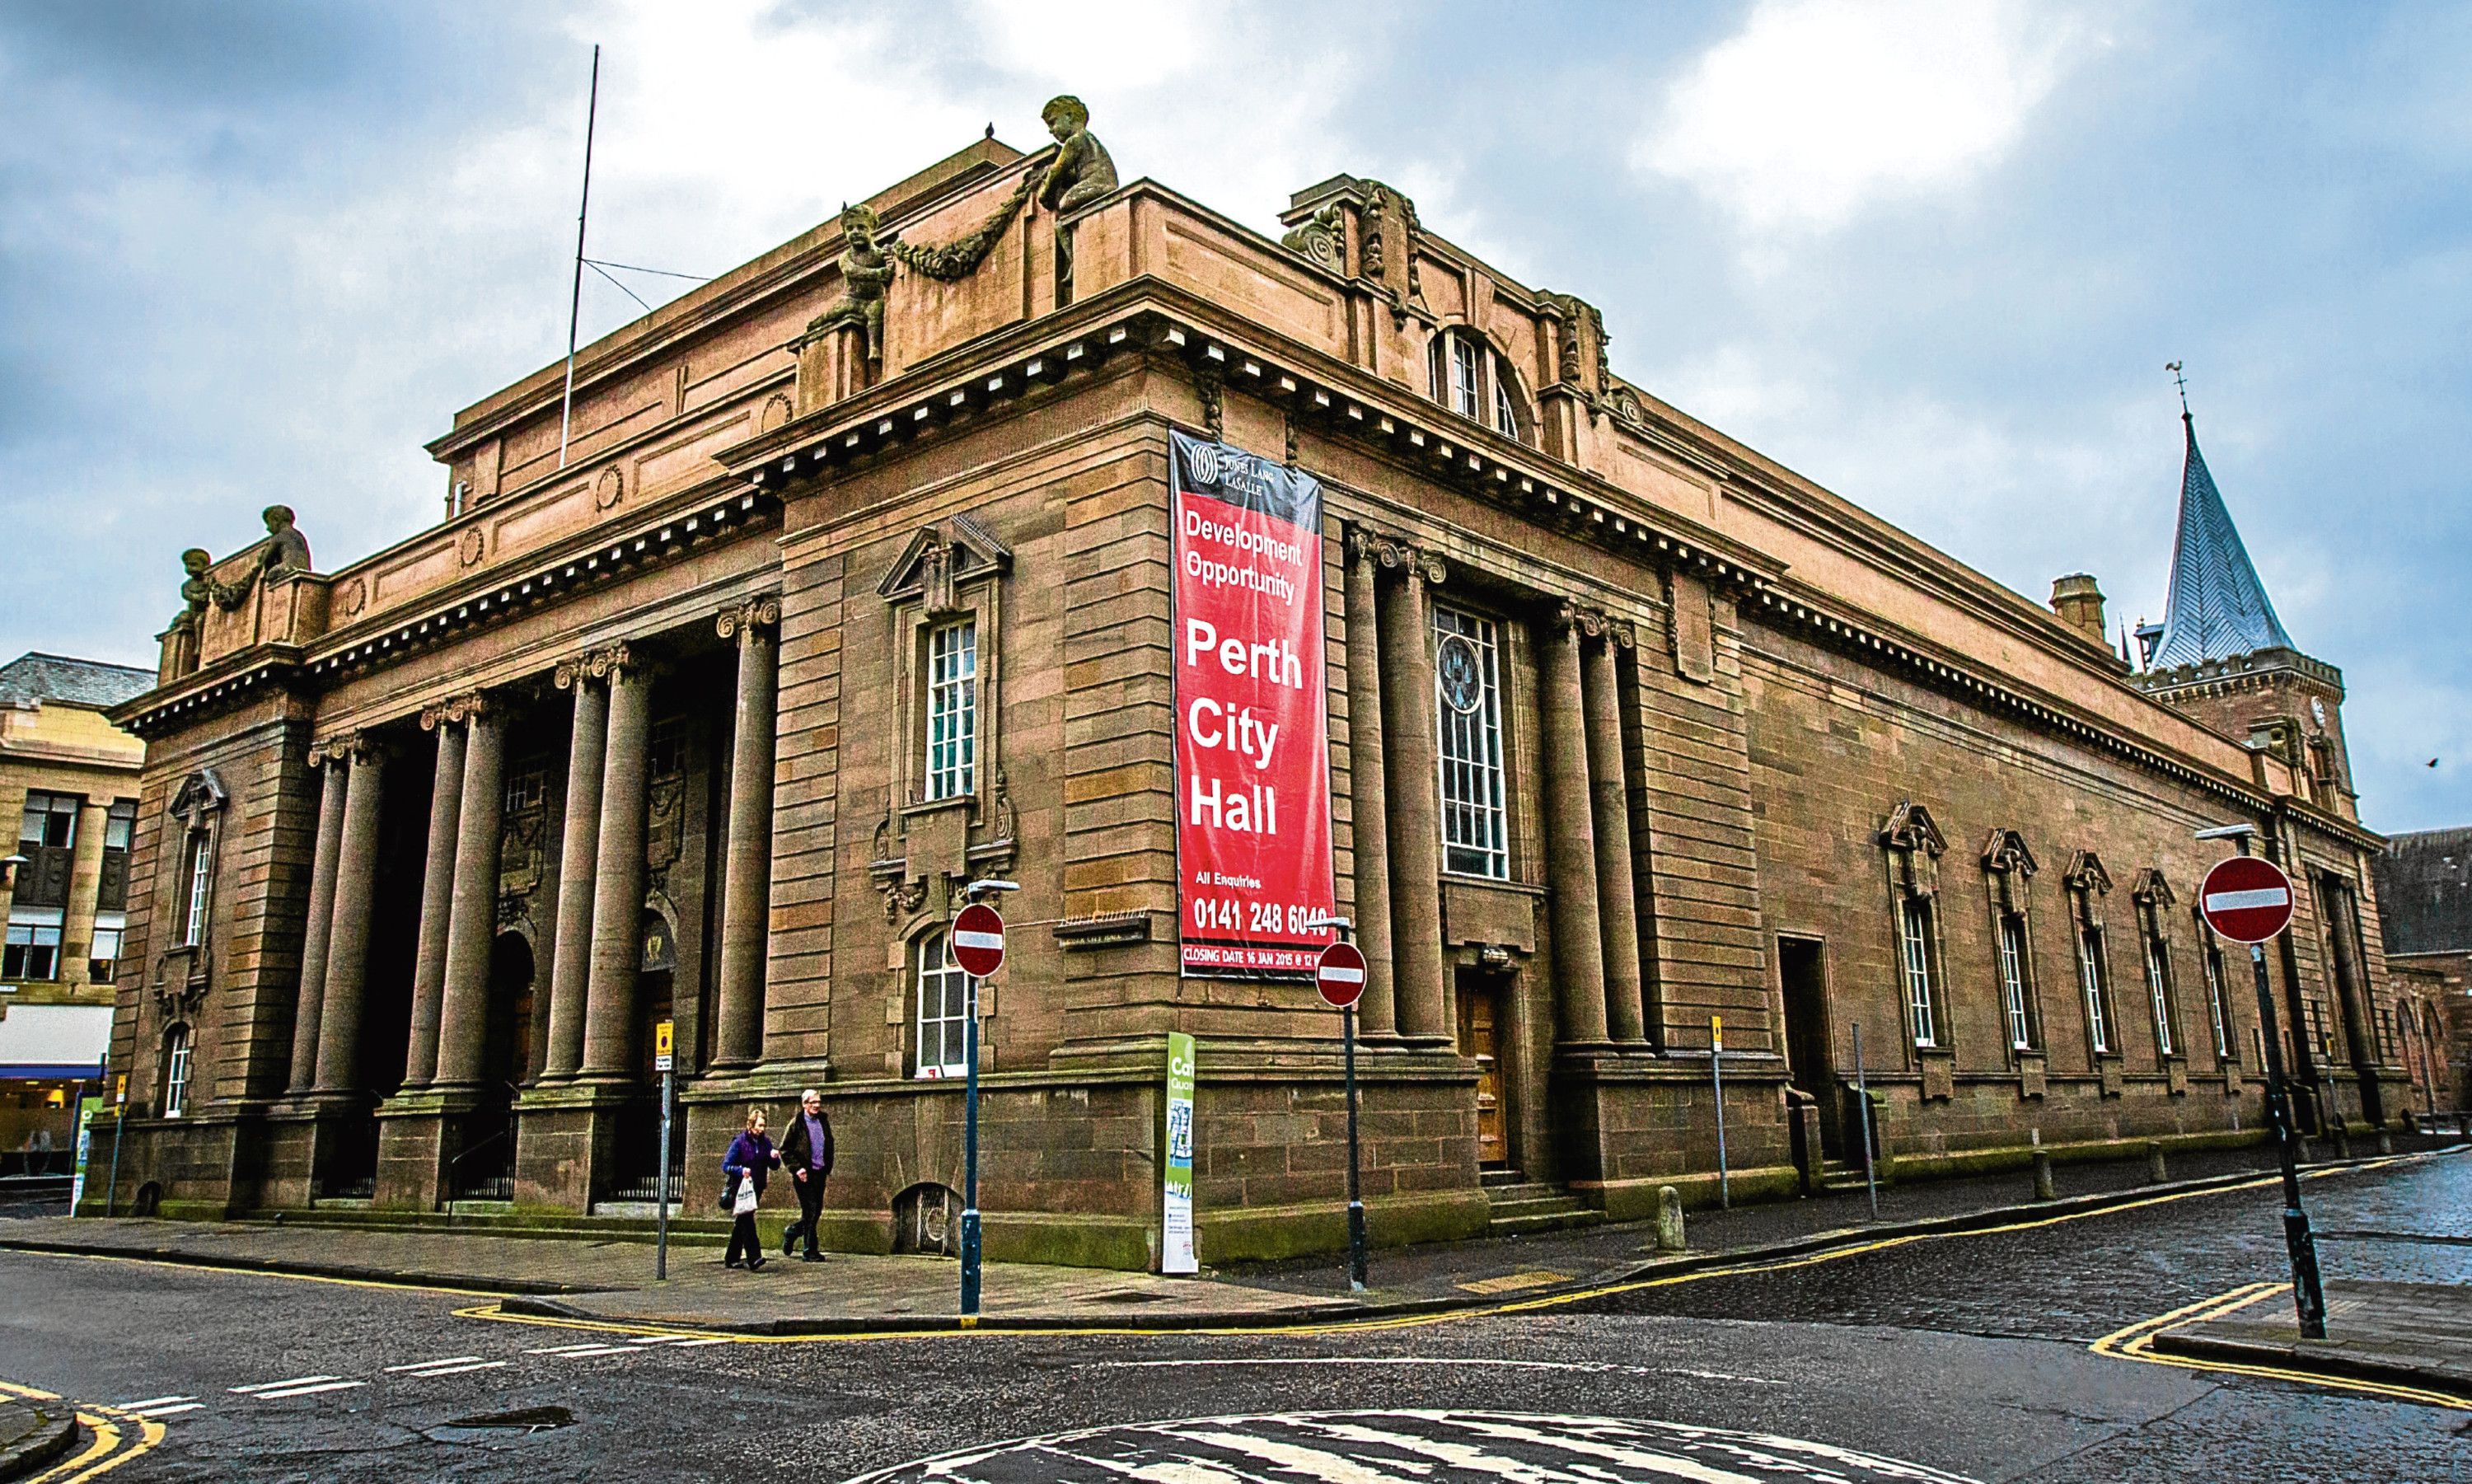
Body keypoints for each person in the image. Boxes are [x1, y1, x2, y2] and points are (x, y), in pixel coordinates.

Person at [776, 1088, 835, 1262]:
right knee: (810, 1211)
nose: (817, 1105)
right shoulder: (796, 1124)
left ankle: (792, 1231)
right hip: (804, 1174)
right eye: (813, 1102)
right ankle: (809, 1251)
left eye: (818, 1102)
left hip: (820, 1172)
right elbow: (785, 1150)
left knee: (816, 1212)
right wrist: (797, 1168)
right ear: (804, 1104)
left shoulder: (823, 1121)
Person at [721, 1107, 780, 1271]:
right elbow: (726, 1165)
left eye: (763, 1126)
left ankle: (731, 1257)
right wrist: (741, 1170)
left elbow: (773, 1166)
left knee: (742, 1221)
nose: (761, 1130)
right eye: (759, 1126)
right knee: (747, 1220)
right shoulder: (739, 1142)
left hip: (757, 1186)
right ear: (751, 1124)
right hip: (741, 1187)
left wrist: (774, 1158)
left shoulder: (765, 1143)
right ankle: (754, 1257)